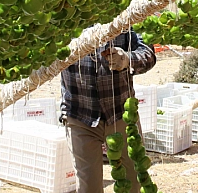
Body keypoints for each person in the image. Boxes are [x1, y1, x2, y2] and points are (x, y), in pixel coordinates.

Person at [60, 29, 157, 193]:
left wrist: (127, 59)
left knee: (133, 181)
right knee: (88, 187)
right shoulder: (65, 11)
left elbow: (148, 53)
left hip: (121, 114)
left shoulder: (126, 11)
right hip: (79, 113)